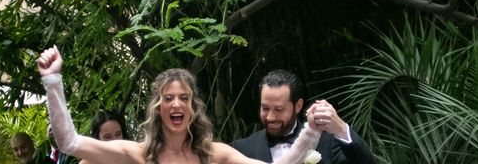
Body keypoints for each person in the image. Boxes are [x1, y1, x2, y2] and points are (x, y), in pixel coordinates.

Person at [37, 45, 323, 164]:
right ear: (157, 107)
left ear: (193, 107)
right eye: (168, 98)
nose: (177, 104)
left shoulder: (215, 155)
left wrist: (310, 131)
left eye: (184, 98)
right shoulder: (135, 154)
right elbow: (69, 142)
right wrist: (52, 82)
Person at [231, 70, 376, 164]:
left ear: (298, 106)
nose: (270, 117)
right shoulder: (241, 149)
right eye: (265, 108)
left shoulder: (328, 144)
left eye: (279, 109)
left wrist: (341, 130)